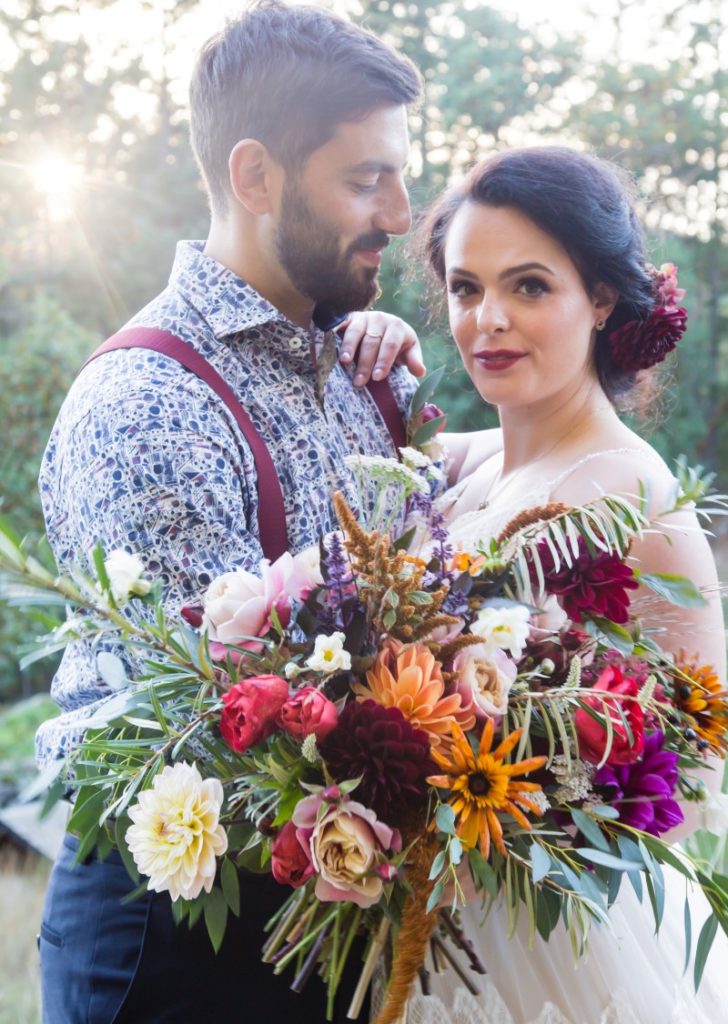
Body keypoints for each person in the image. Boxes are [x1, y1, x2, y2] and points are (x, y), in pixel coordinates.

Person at [35, 4, 427, 1022]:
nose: (398, 211)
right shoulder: (145, 405)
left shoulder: (351, 365)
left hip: (328, 913)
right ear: (256, 178)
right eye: (363, 178)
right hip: (179, 949)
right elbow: (233, 723)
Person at [398, 146, 728, 1024]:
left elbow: (695, 778)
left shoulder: (621, 484)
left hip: (562, 938)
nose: (487, 320)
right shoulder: (463, 465)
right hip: (438, 918)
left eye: (530, 286)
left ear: (602, 298)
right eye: (466, 289)